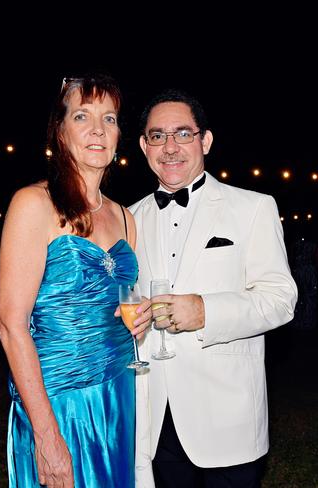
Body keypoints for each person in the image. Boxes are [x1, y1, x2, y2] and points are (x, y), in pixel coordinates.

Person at [130, 89, 298, 488]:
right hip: (155, 421)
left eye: (183, 134)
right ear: (143, 146)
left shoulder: (253, 207)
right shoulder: (129, 219)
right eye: (157, 136)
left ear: (205, 140)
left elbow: (281, 299)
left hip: (228, 420)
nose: (170, 147)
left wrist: (206, 311)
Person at [0, 74, 147, 488]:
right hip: (57, 402)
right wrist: (46, 435)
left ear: (119, 136)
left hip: (118, 394)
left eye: (110, 118)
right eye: (82, 116)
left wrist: (139, 321)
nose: (98, 129)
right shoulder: (34, 204)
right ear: (60, 133)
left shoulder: (125, 218)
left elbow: (119, 306)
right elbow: (11, 326)